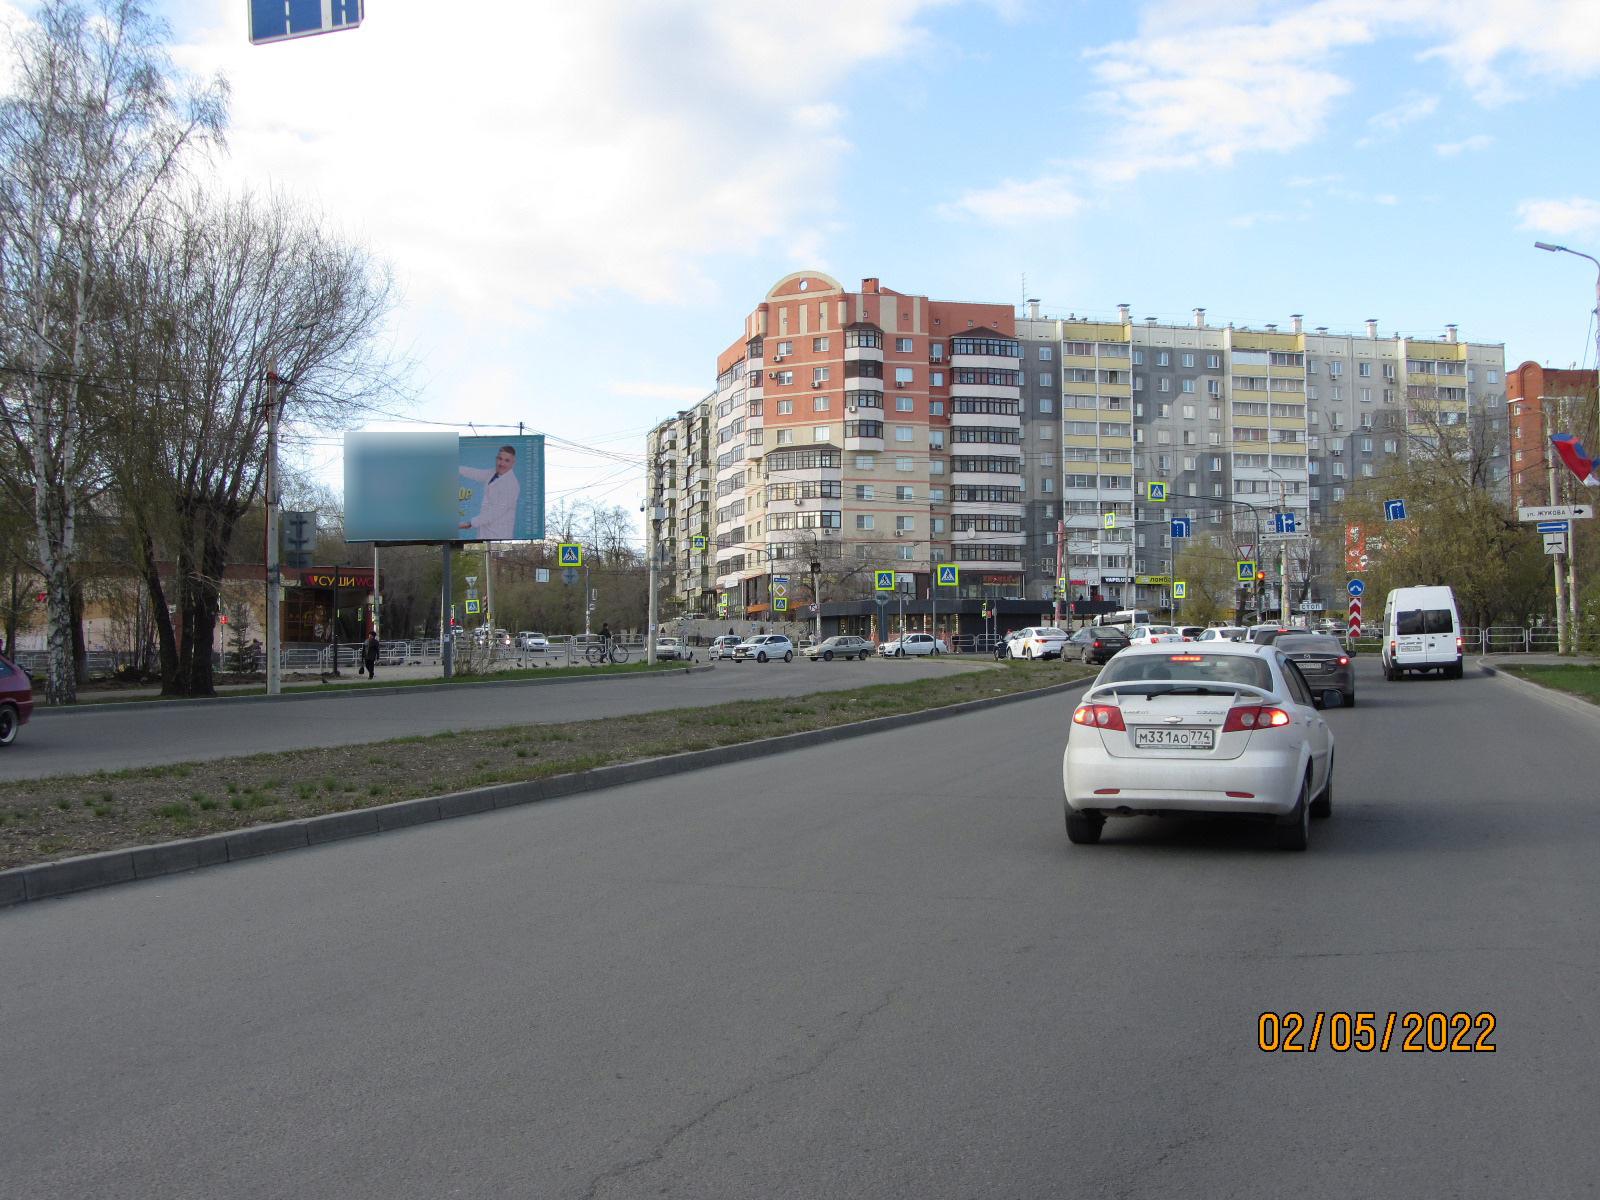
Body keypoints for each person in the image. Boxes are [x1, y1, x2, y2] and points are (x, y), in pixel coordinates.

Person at [458, 444, 520, 540]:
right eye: (500, 459)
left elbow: (495, 512)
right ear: (496, 458)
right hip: (484, 531)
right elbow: (476, 473)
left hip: (499, 535)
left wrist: (470, 523)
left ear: (513, 463)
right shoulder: (493, 472)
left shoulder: (511, 485)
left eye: (507, 461)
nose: (502, 464)